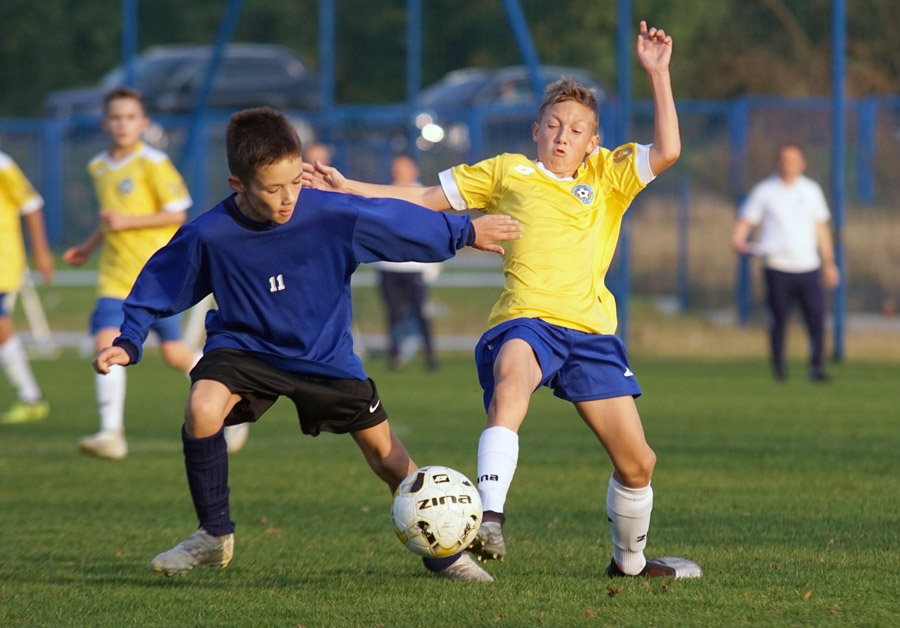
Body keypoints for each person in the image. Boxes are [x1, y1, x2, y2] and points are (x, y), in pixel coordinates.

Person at [304, 22, 702, 579]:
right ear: (536, 129)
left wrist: (658, 74)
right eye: (555, 126)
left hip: (590, 332)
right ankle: (489, 517)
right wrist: (350, 188)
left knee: (639, 463)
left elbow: (670, 149)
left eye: (578, 130)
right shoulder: (507, 171)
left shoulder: (610, 176)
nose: (564, 137)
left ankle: (629, 564)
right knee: (512, 384)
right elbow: (422, 198)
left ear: (594, 140)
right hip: (526, 320)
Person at [91, 107, 521, 581]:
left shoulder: (328, 213)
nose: (289, 196)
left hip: (324, 355)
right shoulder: (210, 234)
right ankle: (214, 535)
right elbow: (157, 283)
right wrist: (128, 341)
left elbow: (392, 222)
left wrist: (464, 231)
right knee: (202, 407)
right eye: (273, 188)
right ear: (239, 186)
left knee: (388, 458)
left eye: (296, 180)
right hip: (245, 349)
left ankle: (444, 555)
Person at [63, 87, 247, 459]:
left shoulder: (153, 163)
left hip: (159, 278)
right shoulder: (99, 166)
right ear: (105, 123)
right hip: (116, 277)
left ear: (143, 124)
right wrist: (89, 244)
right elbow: (111, 217)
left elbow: (177, 212)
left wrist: (127, 221)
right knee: (107, 339)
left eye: (130, 118)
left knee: (176, 353)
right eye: (115, 117)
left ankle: (235, 404)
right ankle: (111, 433)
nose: (122, 124)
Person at [732, 143, 840, 382]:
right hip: (777, 266)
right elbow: (745, 223)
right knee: (779, 320)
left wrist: (829, 262)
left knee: (817, 318)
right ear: (778, 163)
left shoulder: (812, 191)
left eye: (794, 160)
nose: (788, 164)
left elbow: (821, 229)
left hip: (808, 266)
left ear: (802, 163)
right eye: (784, 159)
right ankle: (779, 369)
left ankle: (817, 367)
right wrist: (739, 240)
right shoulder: (764, 191)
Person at [0, 150, 54, 424]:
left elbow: (31, 204)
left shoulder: (3, 164)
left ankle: (30, 396)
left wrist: (41, 250)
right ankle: (30, 396)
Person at [376, 155, 440, 370]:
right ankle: (394, 357)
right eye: (395, 168)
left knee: (421, 314)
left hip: (414, 268)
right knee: (393, 314)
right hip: (389, 267)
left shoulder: (424, 195)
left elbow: (433, 232)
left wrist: (433, 266)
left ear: (414, 171)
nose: (397, 172)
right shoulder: (383, 194)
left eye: (402, 168)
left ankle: (430, 356)